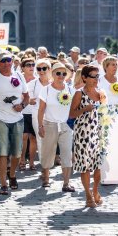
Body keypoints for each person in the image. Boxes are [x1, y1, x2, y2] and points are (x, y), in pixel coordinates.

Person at [0, 51, 29, 195]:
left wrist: (22, 106)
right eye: (3, 61)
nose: (6, 63)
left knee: (16, 153)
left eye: (8, 60)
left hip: (17, 119)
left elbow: (26, 97)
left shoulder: (19, 76)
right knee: (2, 153)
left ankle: (12, 174)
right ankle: (3, 184)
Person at [69, 65, 106, 208]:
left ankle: (95, 190)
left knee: (98, 166)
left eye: (97, 76)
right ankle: (87, 195)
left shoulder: (101, 93)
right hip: (83, 134)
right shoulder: (79, 93)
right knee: (85, 167)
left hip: (98, 134)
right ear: (84, 78)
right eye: (93, 76)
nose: (96, 79)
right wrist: (85, 109)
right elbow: (71, 114)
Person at [37, 62, 75, 192]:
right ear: (52, 74)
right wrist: (40, 125)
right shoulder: (46, 89)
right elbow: (41, 109)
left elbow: (74, 107)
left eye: (64, 73)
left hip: (66, 125)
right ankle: (46, 178)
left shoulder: (70, 89)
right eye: (58, 73)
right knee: (48, 152)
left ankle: (66, 183)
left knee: (66, 153)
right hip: (49, 124)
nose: (61, 76)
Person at [19, 57, 37, 171]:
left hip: (35, 112)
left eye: (32, 65)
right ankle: (22, 160)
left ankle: (31, 162)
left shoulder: (38, 79)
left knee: (33, 138)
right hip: (22, 112)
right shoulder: (19, 79)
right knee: (24, 137)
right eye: (28, 65)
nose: (31, 67)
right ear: (23, 68)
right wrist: (25, 100)